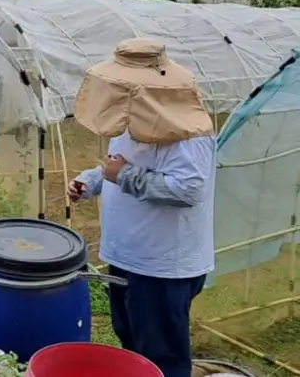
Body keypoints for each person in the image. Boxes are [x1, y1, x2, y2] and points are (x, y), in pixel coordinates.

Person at [68, 38, 216, 377]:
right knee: (133, 350)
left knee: (162, 358)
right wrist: (91, 181)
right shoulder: (137, 121)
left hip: (161, 268)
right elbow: (118, 165)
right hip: (128, 259)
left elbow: (189, 188)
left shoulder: (189, 134)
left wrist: (125, 176)